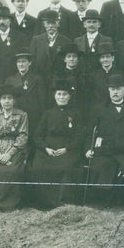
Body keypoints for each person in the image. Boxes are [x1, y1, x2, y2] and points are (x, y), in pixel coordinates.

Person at [84, 74, 124, 206]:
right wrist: (88, 148)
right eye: (112, 89)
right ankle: (104, 198)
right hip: (105, 150)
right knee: (102, 167)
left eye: (118, 89)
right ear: (108, 90)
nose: (115, 92)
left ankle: (123, 198)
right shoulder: (99, 109)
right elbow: (90, 132)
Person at [30, 79, 84, 208]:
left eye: (64, 94)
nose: (61, 97)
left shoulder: (76, 113)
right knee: (39, 167)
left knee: (66, 168)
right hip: (48, 150)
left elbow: (80, 136)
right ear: (55, 96)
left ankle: (63, 202)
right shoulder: (48, 113)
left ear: (69, 97)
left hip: (68, 149)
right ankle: (45, 203)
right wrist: (46, 148)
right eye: (59, 94)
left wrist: (67, 148)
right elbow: (37, 135)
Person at [0, 84, 29, 211]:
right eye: (4, 98)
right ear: (0, 100)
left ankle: (12, 203)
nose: (7, 101)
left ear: (14, 100)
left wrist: (10, 154)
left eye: (9, 98)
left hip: (15, 148)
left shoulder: (22, 115)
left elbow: (23, 136)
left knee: (12, 171)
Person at [5, 49, 47, 134]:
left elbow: (42, 100)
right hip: (16, 115)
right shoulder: (10, 80)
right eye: (19, 62)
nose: (21, 64)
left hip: (33, 115)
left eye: (24, 61)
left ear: (29, 63)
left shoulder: (37, 79)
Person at [0, 6, 31, 80]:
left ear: (10, 20)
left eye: (5, 19)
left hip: (14, 78)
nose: (2, 22)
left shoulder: (21, 37)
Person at [29, 10, 71, 83]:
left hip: (59, 79)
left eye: (53, 23)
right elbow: (32, 60)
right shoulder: (36, 40)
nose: (51, 26)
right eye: (48, 23)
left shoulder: (66, 41)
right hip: (40, 78)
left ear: (58, 24)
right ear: (44, 24)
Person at [74, 9, 114, 73]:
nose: (91, 24)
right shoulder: (77, 41)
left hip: (100, 75)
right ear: (84, 24)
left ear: (99, 24)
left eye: (94, 22)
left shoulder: (107, 40)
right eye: (89, 22)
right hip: (82, 75)